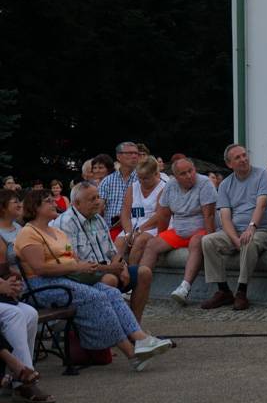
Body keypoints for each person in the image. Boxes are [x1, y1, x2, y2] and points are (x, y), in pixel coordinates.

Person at [14, 190, 172, 373]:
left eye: (52, 200)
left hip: (66, 280)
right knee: (96, 297)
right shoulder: (28, 232)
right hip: (42, 286)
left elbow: (73, 260)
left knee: (111, 292)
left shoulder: (56, 232)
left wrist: (87, 266)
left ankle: (141, 339)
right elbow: (39, 268)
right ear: (35, 207)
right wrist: (77, 268)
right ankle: (132, 353)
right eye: (48, 201)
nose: (53, 203)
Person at [54, 182, 154, 322]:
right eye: (92, 199)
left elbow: (112, 252)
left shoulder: (97, 219)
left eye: (98, 197)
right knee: (110, 279)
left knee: (144, 272)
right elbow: (75, 264)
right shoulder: (66, 223)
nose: (98, 202)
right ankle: (112, 328)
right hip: (82, 275)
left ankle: (134, 327)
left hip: (105, 269)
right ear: (77, 203)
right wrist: (110, 269)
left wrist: (122, 267)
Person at [201, 145, 267, 311]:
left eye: (244, 155)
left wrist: (251, 228)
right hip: (236, 230)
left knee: (249, 240)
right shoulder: (226, 184)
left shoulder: (263, 175)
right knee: (207, 241)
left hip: (263, 230)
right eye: (238, 158)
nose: (243, 159)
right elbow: (225, 217)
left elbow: (261, 206)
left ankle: (242, 291)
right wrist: (234, 239)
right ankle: (224, 291)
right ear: (229, 164)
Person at [137, 158, 218, 305]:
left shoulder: (205, 183)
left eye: (191, 171)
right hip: (179, 231)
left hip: (201, 230)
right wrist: (161, 236)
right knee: (152, 244)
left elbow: (209, 215)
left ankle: (184, 287)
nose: (189, 176)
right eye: (183, 174)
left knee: (196, 243)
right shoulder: (170, 186)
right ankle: (138, 285)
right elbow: (164, 215)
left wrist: (210, 240)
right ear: (176, 176)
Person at [0, 191, 44, 402]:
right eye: (14, 201)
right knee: (14, 314)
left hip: (9, 288)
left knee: (30, 314)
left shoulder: (19, 229)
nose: (19, 204)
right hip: (7, 292)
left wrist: (6, 285)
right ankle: (24, 382)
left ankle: (9, 375)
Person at [115, 156, 166, 264]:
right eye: (140, 178)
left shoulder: (163, 188)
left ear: (156, 175)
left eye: (146, 178)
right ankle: (119, 271)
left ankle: (133, 272)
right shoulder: (133, 187)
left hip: (153, 225)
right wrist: (128, 233)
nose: (142, 181)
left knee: (140, 242)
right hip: (134, 224)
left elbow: (160, 216)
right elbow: (125, 214)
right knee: (118, 243)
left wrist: (138, 231)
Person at [98, 142, 140, 228]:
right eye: (129, 153)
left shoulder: (141, 180)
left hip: (134, 228)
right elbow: (98, 208)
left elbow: (147, 207)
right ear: (119, 157)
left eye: (135, 153)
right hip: (110, 229)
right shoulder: (107, 181)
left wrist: (126, 218)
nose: (134, 156)